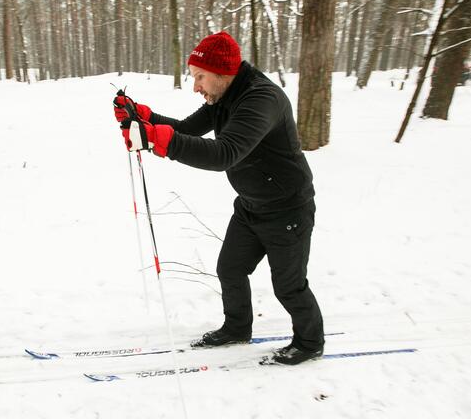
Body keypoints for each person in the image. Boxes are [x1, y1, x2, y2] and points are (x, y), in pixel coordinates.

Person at [112, 32, 324, 365]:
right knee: (230, 268)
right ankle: (238, 328)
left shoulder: (261, 100)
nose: (196, 85)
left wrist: (157, 140)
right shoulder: (225, 95)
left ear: (222, 73)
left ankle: (310, 342)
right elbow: (186, 129)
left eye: (199, 76)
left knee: (289, 286)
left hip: (287, 209)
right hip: (251, 204)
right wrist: (142, 118)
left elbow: (225, 154)